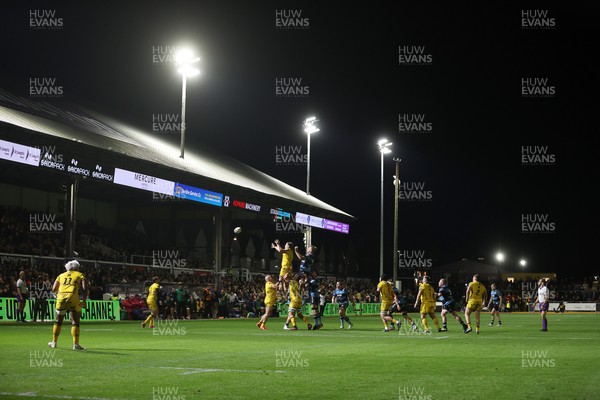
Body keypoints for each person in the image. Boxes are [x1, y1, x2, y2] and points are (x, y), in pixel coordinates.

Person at [48, 260, 88, 350]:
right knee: (75, 321)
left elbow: (54, 288)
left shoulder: (61, 275)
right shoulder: (80, 275)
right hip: (72, 296)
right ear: (76, 267)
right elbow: (85, 288)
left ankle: (54, 342)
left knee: (58, 321)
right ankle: (76, 344)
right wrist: (84, 300)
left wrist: (59, 294)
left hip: (61, 297)